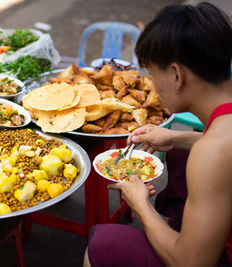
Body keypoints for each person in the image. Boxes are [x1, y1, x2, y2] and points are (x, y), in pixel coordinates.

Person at [85, 2, 232, 266]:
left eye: (152, 73)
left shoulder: (211, 153)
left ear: (176, 75)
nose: (152, 83)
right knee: (180, 155)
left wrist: (140, 204)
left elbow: (191, 262)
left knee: (101, 244)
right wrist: (175, 138)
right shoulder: (221, 134)